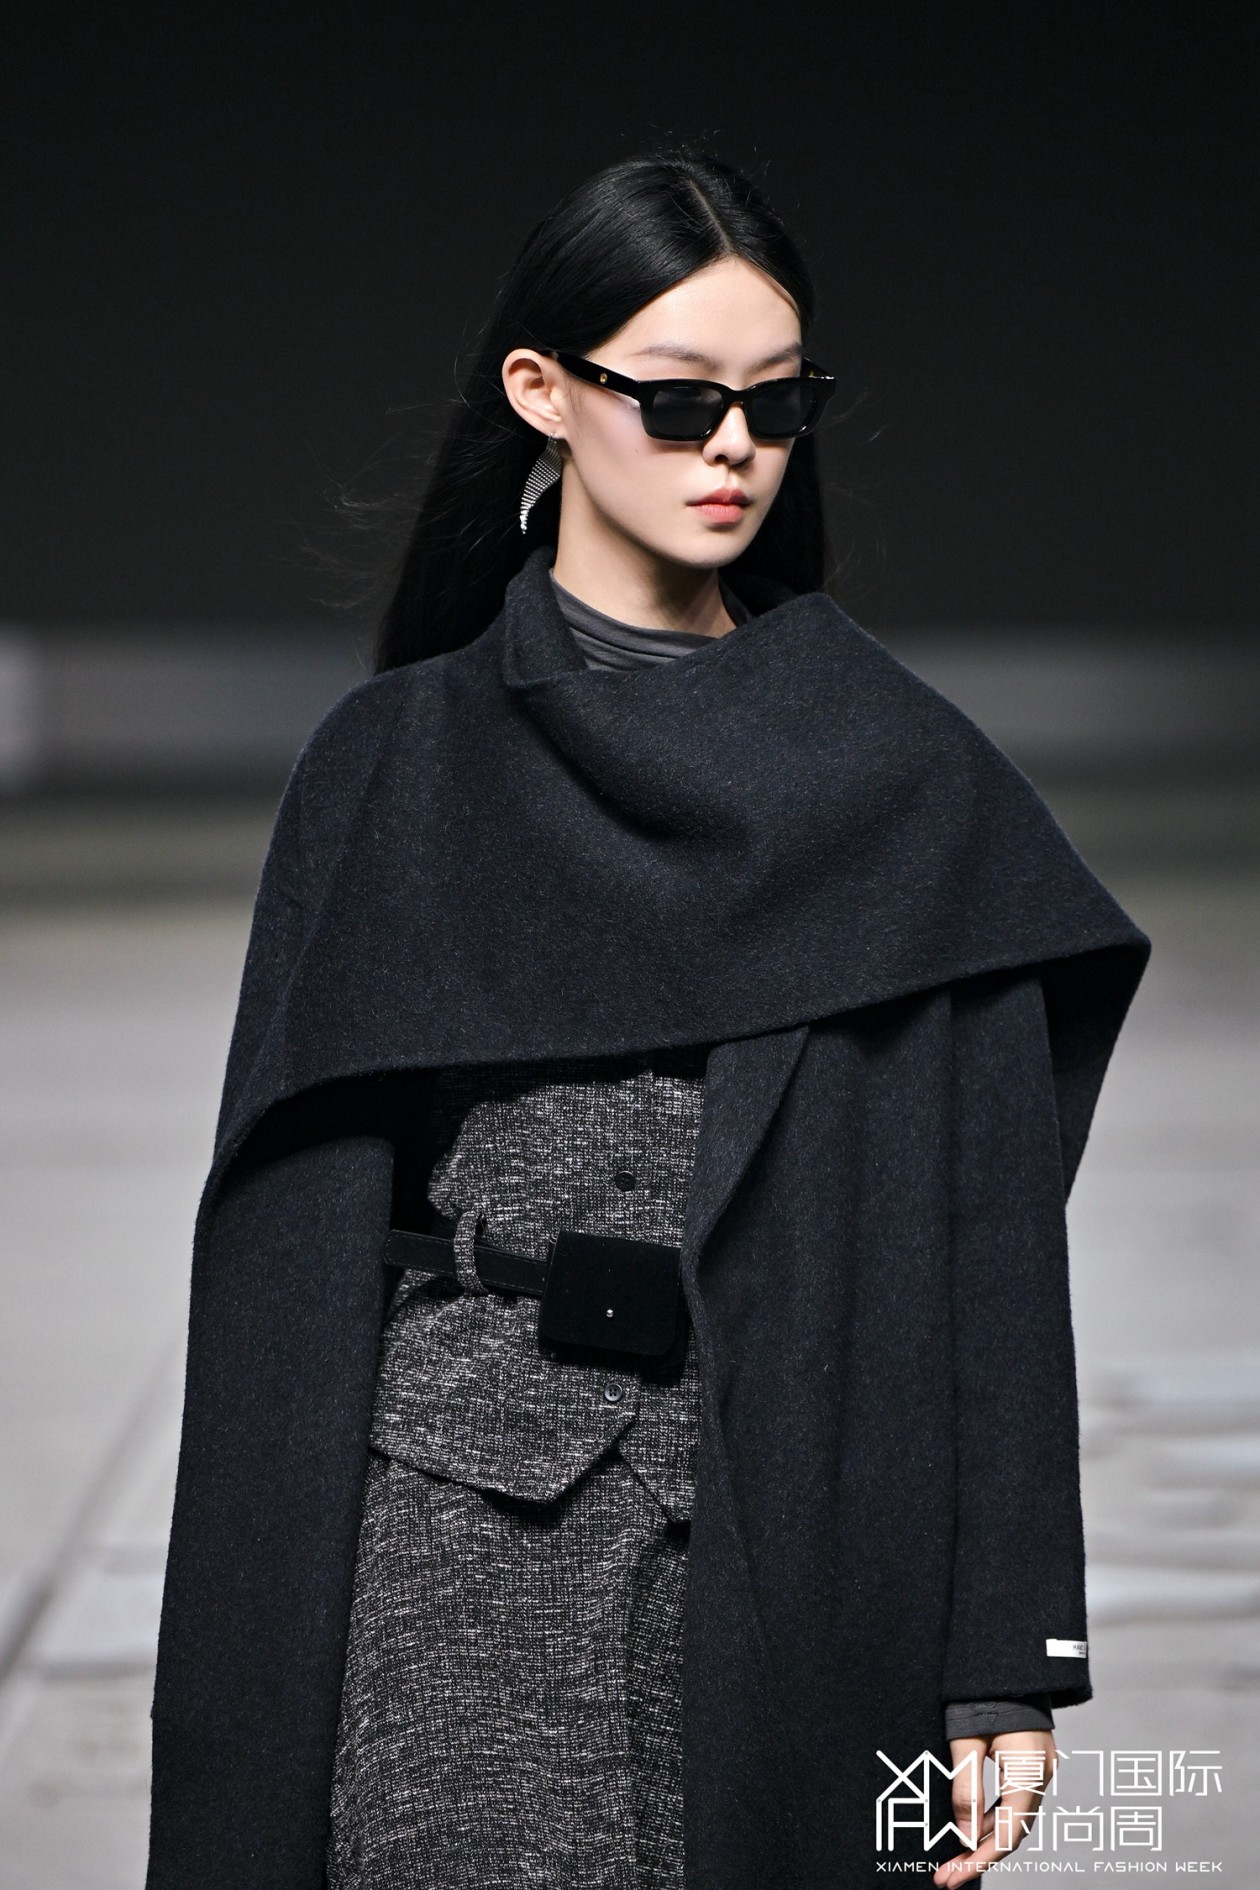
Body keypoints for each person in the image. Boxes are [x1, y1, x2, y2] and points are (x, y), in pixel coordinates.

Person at [145, 149, 1149, 1890]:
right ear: (544, 392)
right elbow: (285, 1272)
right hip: (451, 1523)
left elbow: (989, 1241)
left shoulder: (909, 783)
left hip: (802, 1537)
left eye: (777, 403)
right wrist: (249, 1715)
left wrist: (1007, 1655)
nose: (734, 448)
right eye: (680, 402)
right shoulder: (394, 768)